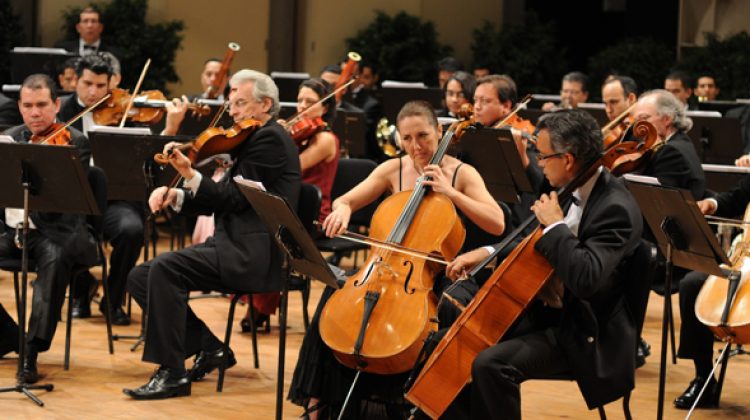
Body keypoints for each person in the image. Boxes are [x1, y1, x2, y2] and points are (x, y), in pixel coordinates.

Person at [288, 100, 505, 419]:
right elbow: (347, 198)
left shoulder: (461, 173)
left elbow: (497, 221)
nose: (415, 146)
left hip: (437, 273)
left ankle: (419, 406)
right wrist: (344, 207)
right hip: (383, 268)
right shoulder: (393, 169)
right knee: (334, 297)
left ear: (439, 131)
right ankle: (319, 404)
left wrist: (452, 193)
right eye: (407, 139)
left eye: (423, 136)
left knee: (447, 310)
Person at [442, 109, 643, 420]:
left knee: (490, 363)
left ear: (568, 159)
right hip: (545, 310)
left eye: (543, 156)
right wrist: (488, 251)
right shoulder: (570, 185)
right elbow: (529, 242)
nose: (537, 163)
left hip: (586, 330)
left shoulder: (616, 209)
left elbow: (586, 279)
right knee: (451, 341)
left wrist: (555, 228)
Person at [123, 69, 300, 400]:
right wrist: (177, 196)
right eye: (230, 104)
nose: (231, 112)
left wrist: (189, 173)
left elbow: (231, 199)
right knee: (140, 276)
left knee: (163, 269)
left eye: (240, 103)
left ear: (265, 104)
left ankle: (172, 373)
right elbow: (223, 199)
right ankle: (209, 347)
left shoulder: (270, 139)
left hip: (254, 254)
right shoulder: (252, 140)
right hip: (233, 243)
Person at [0, 74, 95, 383]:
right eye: (27, 106)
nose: (35, 113)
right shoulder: (9, 139)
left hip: (56, 230)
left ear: (56, 105)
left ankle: (32, 351)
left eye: (41, 105)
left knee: (54, 259)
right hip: (12, 231)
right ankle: (11, 338)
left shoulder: (75, 142)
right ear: (20, 106)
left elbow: (67, 205)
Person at [239, 78, 340, 334]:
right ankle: (253, 293)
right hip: (287, 206)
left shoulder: (326, 138)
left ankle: (260, 304)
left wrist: (281, 139)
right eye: (300, 100)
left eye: (310, 102)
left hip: (312, 214)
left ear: (325, 108)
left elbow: (295, 167)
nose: (303, 106)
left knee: (274, 236)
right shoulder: (302, 134)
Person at [57, 54, 143, 326]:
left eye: (100, 85)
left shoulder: (124, 114)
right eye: (87, 83)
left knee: (132, 230)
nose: (93, 91)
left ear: (110, 84)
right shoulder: (60, 112)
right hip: (74, 201)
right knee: (62, 231)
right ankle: (82, 290)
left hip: (114, 200)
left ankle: (113, 299)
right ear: (76, 81)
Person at [672, 175, 750, 410]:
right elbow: (735, 198)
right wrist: (711, 204)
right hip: (743, 258)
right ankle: (704, 379)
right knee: (692, 285)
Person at [633, 89, 705, 201]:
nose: (638, 126)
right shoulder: (682, 141)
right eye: (636, 120)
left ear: (667, 119)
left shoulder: (671, 152)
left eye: (644, 118)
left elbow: (657, 202)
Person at [54, 6, 122, 59]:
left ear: (101, 28)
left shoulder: (114, 53)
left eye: (94, 21)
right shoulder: (63, 50)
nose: (89, 26)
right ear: (78, 28)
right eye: (85, 21)